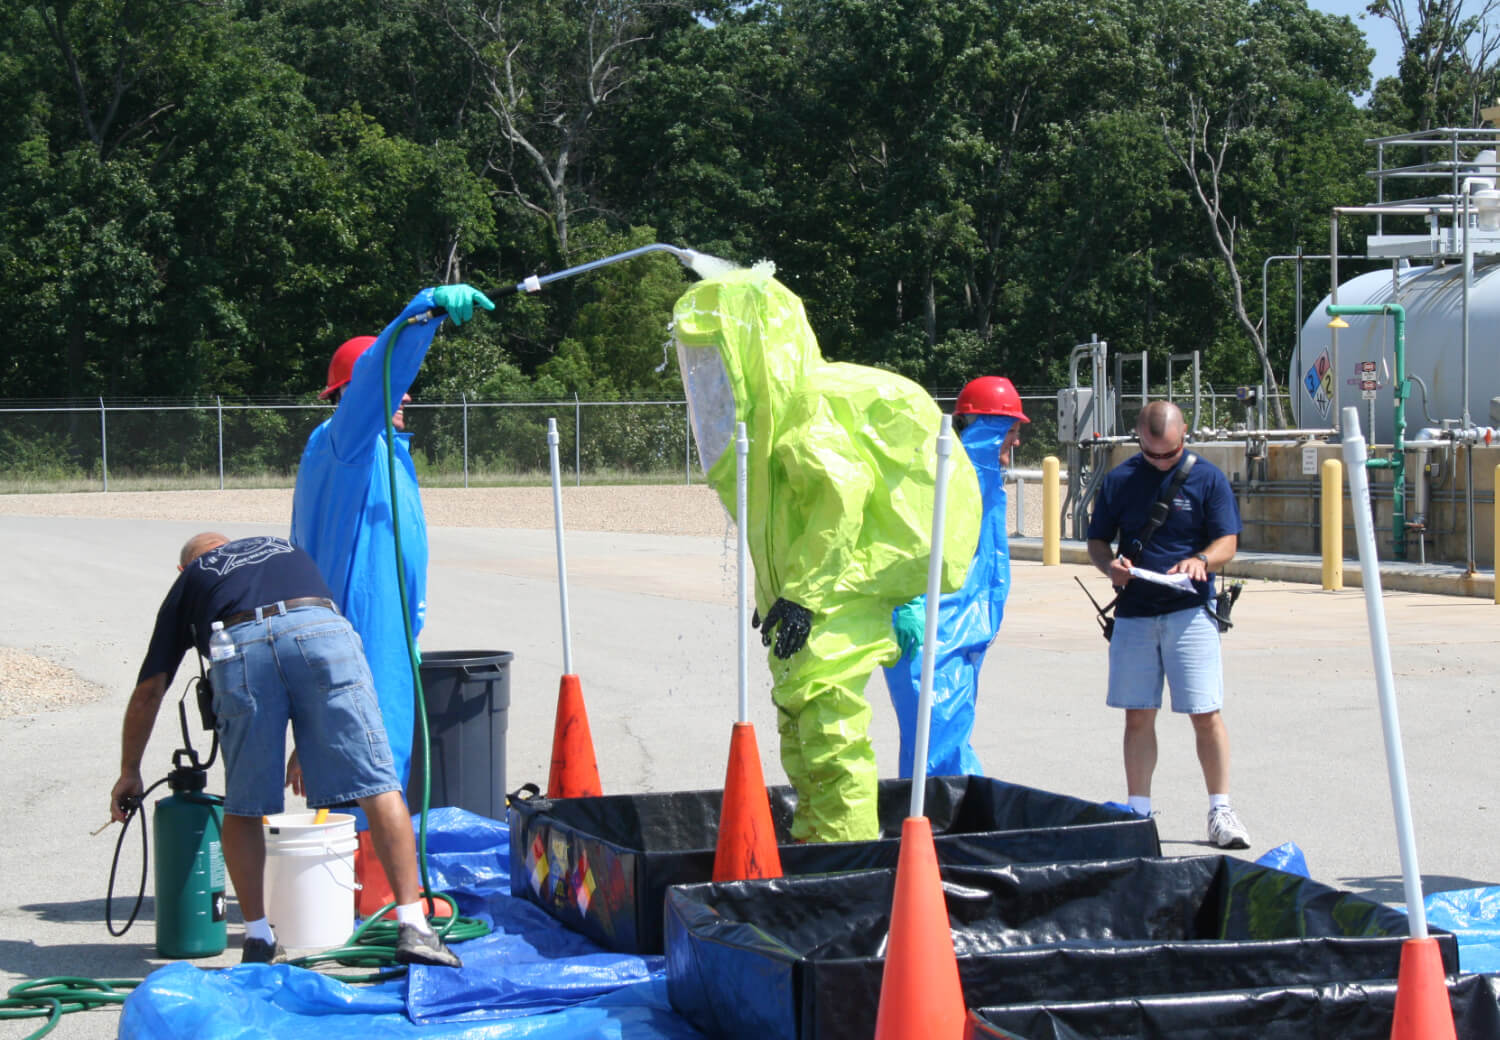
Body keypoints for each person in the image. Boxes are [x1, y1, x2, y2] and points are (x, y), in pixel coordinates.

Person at [671, 265, 981, 842]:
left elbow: (841, 499)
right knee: (804, 727)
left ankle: (846, 867)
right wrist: (779, 592)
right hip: (818, 594)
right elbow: (790, 520)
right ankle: (817, 848)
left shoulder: (807, 404)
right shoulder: (772, 419)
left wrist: (802, 594)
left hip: (836, 594)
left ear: (750, 346)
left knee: (830, 732)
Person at [109, 533, 463, 966]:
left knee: (243, 806)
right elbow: (301, 641)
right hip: (320, 626)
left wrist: (129, 771)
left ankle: (258, 938)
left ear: (185, 569)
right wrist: (310, 739)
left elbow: (150, 690)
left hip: (238, 645)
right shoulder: (280, 548)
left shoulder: (191, 580)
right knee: (378, 785)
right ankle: (415, 927)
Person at [291, 284, 493, 793]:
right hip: (361, 636)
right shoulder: (344, 445)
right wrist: (424, 311)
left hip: (390, 639)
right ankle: (368, 872)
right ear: (346, 394)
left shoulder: (384, 453)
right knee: (368, 785)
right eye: (396, 383)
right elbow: (373, 388)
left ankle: (372, 869)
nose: (407, 395)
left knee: (380, 778)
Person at [1085, 400, 1249, 849]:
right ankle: (1138, 812)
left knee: (1205, 712)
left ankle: (1221, 811)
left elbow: (1228, 541)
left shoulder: (1208, 478)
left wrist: (1200, 560)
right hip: (1135, 611)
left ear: (1185, 435)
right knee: (1137, 715)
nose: (1161, 461)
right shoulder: (1120, 480)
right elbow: (1097, 540)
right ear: (1138, 437)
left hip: (1190, 610)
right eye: (1152, 454)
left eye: (1170, 453)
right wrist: (1110, 566)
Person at [883, 375, 1028, 778]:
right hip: (929, 626)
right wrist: (909, 602)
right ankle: (946, 819)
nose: (1016, 443)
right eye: (1012, 431)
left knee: (940, 734)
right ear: (991, 428)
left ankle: (933, 821)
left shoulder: (980, 478)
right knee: (935, 736)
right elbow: (906, 538)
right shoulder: (944, 475)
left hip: (958, 629)